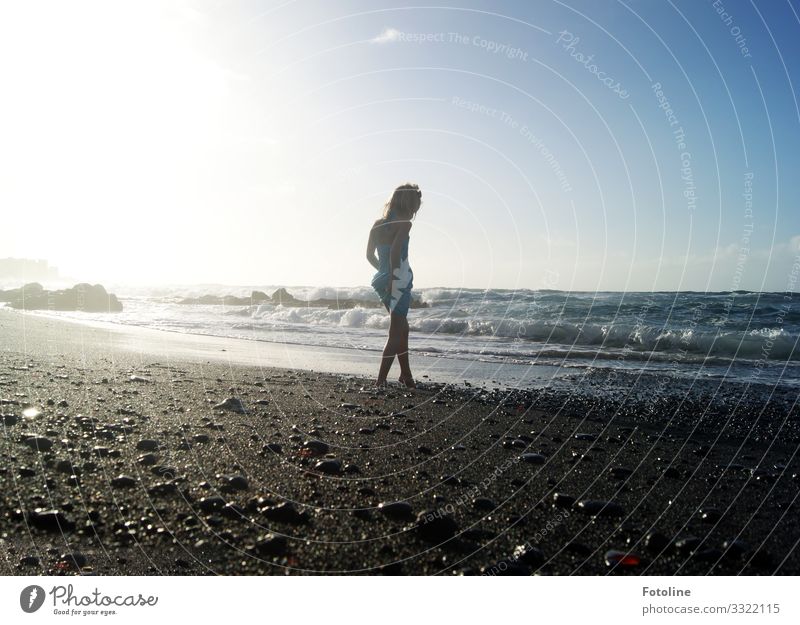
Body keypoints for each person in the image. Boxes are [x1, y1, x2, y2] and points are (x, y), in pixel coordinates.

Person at [366, 183, 421, 388]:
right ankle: (379, 382)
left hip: (381, 279)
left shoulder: (377, 224)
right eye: (416, 201)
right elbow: (396, 252)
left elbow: (369, 255)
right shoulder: (405, 223)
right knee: (395, 332)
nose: (418, 206)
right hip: (398, 280)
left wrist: (384, 272)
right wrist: (393, 277)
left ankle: (406, 375)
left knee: (402, 329)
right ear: (408, 202)